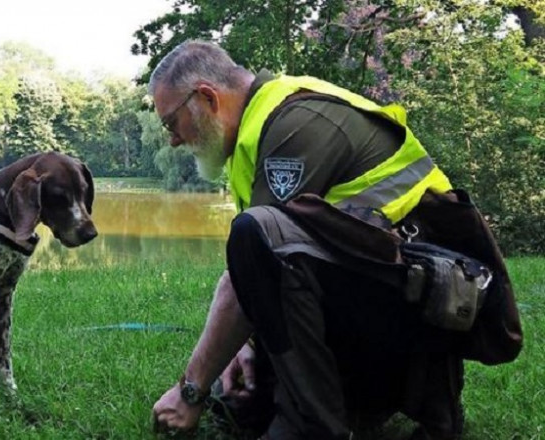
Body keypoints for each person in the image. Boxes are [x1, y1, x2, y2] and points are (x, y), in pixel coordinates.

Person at [148, 40, 522, 439]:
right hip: (393, 294)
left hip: (425, 308)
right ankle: (366, 402)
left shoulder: (293, 123)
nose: (173, 139)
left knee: (254, 233)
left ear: (207, 97)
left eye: (171, 122)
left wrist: (191, 390)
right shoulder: (257, 129)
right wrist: (247, 344)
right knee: (243, 404)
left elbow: (259, 256)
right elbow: (257, 272)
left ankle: (314, 427)